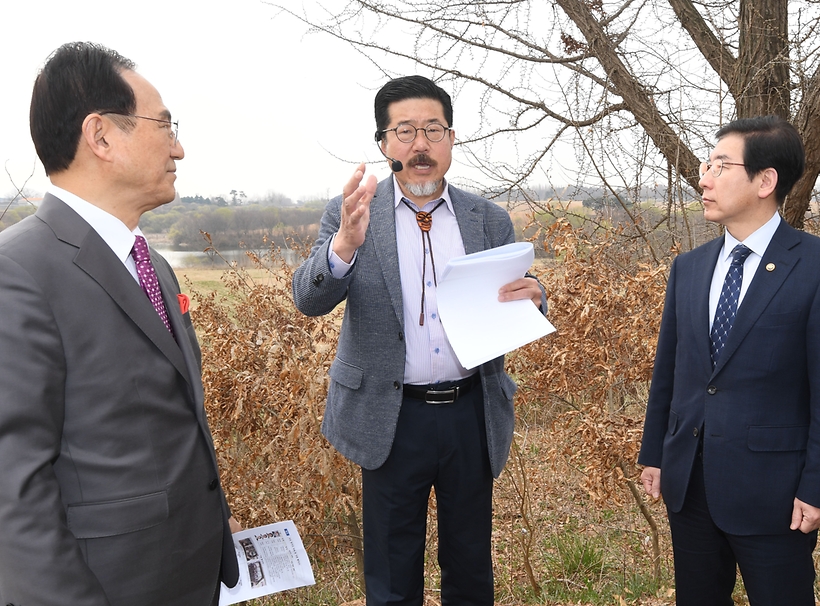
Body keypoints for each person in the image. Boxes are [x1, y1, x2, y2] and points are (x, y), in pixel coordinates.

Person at [291, 75, 547, 606]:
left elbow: (515, 300)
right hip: (391, 414)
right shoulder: (354, 215)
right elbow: (308, 299)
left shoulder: (488, 219)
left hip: (471, 411)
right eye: (404, 131)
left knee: (472, 565)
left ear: (451, 140)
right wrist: (344, 244)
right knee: (391, 570)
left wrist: (535, 298)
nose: (420, 144)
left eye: (433, 129)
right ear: (384, 144)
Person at [0, 42, 239, 605]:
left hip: (188, 575)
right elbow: (13, 493)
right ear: (101, 136)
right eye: (164, 124)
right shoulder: (17, 272)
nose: (178, 146)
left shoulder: (149, 264)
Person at [637, 116, 820, 605]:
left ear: (765, 180)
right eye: (706, 164)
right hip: (689, 483)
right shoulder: (690, 267)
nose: (704, 177)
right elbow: (670, 371)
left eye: (721, 165)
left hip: (776, 492)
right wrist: (654, 452)